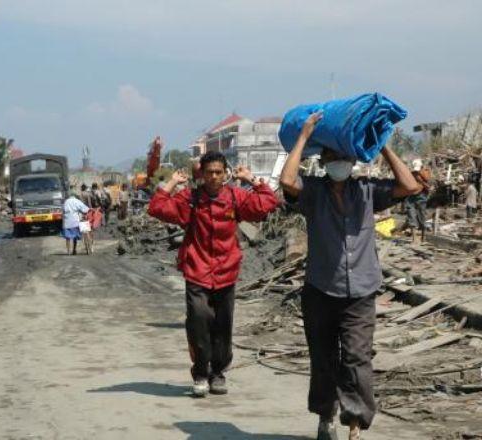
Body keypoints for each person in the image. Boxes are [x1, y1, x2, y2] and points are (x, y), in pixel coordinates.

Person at [280, 113, 421, 440]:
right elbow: (287, 182)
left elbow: (410, 185)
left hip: (360, 292)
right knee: (324, 359)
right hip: (320, 290)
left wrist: (382, 146)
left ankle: (355, 423)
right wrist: (303, 137)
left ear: (353, 160)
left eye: (344, 157)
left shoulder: (369, 191)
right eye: (332, 157)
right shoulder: (314, 192)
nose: (338, 163)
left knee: (358, 359)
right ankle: (325, 415)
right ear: (324, 160)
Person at [148, 151, 279, 397]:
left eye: (219, 172)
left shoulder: (235, 197)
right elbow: (157, 207)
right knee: (198, 321)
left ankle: (217, 373)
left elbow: (267, 203)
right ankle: (200, 373)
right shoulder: (191, 199)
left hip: (226, 271)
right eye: (209, 172)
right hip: (197, 270)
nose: (214, 177)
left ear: (226, 173)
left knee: (222, 326)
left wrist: (252, 180)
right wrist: (172, 183)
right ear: (202, 174)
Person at [404, 159, 431, 243]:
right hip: (411, 195)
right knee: (411, 215)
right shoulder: (411, 173)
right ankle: (414, 238)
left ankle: (423, 237)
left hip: (421, 195)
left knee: (422, 215)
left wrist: (420, 174)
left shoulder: (425, 172)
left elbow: (427, 179)